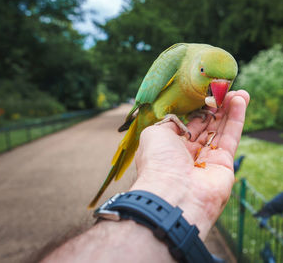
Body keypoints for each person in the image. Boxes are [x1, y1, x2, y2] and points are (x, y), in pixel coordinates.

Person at [42, 90, 250, 263]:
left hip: (183, 126)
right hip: (153, 113)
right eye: (205, 73)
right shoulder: (178, 58)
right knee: (122, 156)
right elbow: (151, 102)